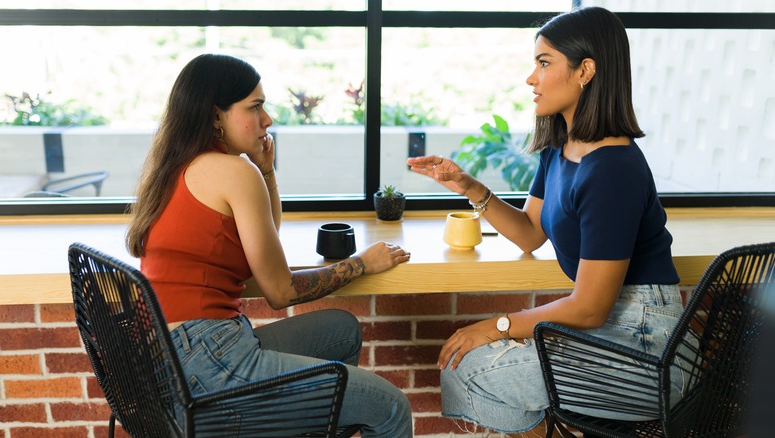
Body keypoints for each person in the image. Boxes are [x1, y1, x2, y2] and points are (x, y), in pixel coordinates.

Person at [408, 6, 685, 435]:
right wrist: (468, 186)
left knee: (469, 369)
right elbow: (530, 233)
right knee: (467, 366)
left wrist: (497, 326)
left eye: (544, 63)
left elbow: (590, 308)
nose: (531, 78)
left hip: (645, 350)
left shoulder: (613, 169)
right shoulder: (562, 146)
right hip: (609, 332)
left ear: (585, 71)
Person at [125, 53, 413, 437]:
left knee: (341, 331)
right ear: (215, 115)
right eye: (255, 106)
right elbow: (280, 290)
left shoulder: (178, 165)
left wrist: (265, 170)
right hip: (209, 363)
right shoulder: (231, 171)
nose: (268, 120)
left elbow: (262, 245)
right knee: (389, 406)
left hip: (173, 357)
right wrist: (362, 264)